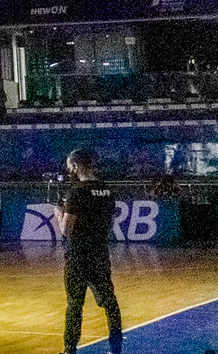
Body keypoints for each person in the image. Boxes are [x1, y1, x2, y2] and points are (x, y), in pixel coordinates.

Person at [58, 147, 122, 354]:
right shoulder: (107, 191)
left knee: (75, 306)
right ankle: (116, 346)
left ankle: (70, 350)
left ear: (76, 166)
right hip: (99, 254)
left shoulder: (76, 192)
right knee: (109, 302)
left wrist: (58, 213)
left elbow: (67, 230)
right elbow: (110, 224)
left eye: (70, 166)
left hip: (77, 256)